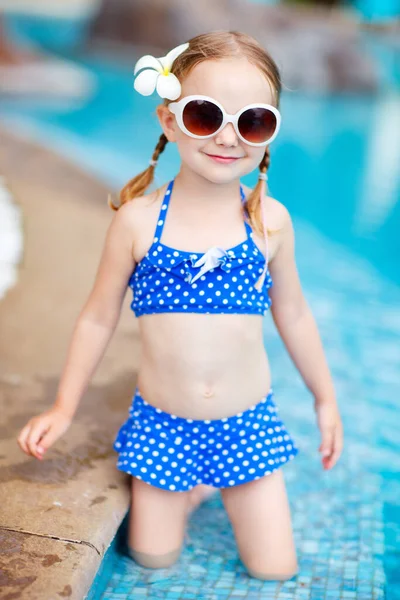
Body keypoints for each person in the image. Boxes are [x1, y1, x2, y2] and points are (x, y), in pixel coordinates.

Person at [17, 30, 343, 581]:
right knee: (153, 558)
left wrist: (325, 401)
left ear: (270, 135)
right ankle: (193, 492)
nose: (227, 138)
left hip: (247, 426)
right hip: (162, 427)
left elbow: (295, 315)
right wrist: (63, 408)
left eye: (253, 122)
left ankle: (213, 482)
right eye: (204, 115)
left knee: (275, 570)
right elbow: (98, 317)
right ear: (170, 120)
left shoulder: (270, 225)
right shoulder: (138, 223)